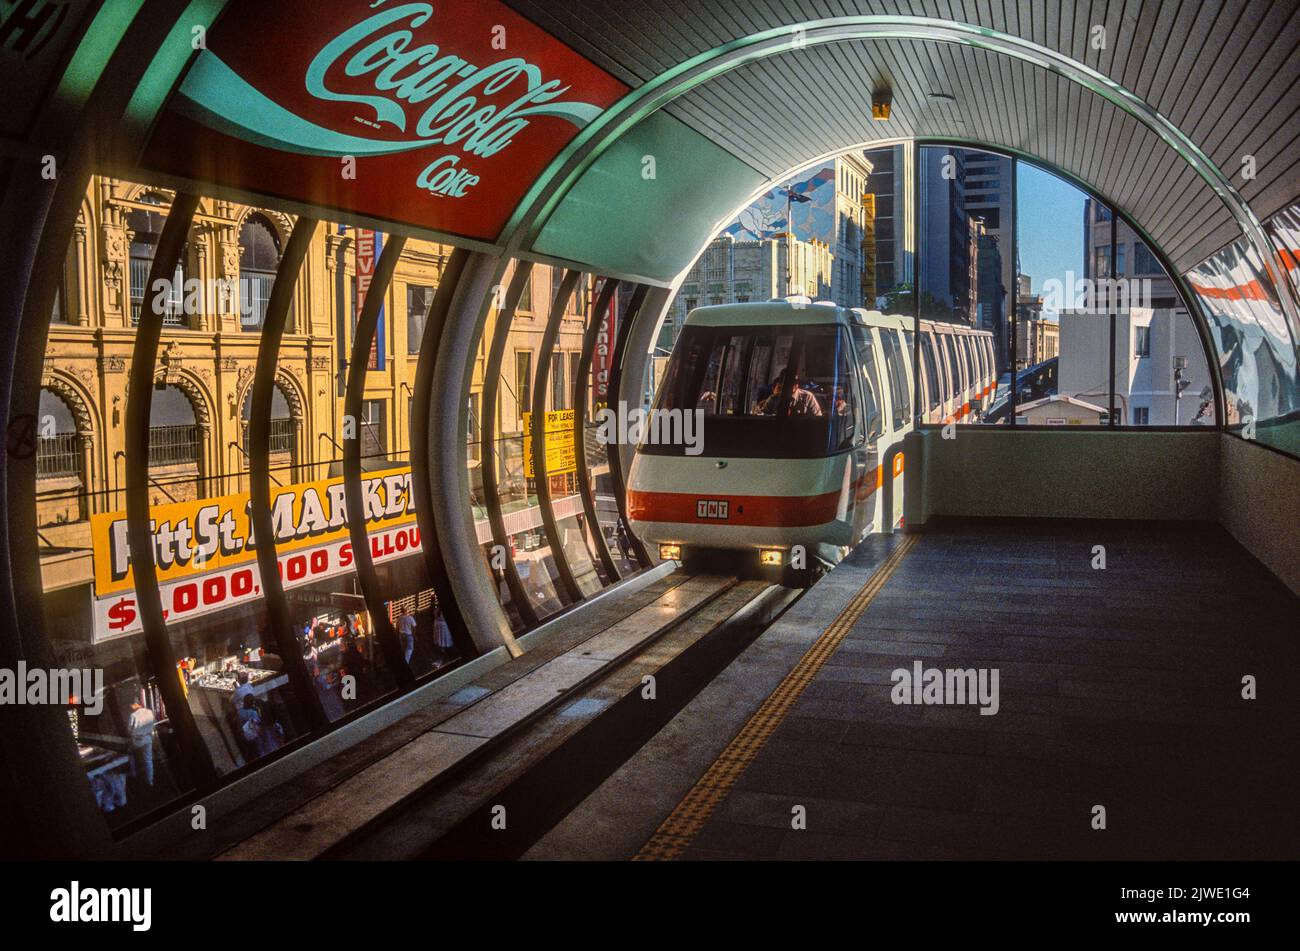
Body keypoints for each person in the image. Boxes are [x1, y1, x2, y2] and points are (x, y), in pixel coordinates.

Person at [127, 701, 157, 788]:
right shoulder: (149, 711)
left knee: (130, 752)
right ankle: (150, 781)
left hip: (138, 740)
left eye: (132, 705)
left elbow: (129, 730)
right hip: (148, 738)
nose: (131, 707)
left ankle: (133, 773)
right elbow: (153, 724)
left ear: (135, 705)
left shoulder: (133, 715)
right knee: (148, 760)